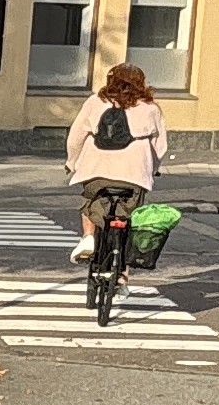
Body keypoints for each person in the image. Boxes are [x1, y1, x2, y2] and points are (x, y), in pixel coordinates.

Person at [66, 60, 167, 260]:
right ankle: (122, 278)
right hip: (134, 175)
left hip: (95, 170)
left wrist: (72, 162)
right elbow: (160, 147)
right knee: (130, 220)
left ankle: (88, 237)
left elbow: (75, 137)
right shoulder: (151, 108)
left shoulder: (95, 102)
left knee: (90, 202)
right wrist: (153, 169)